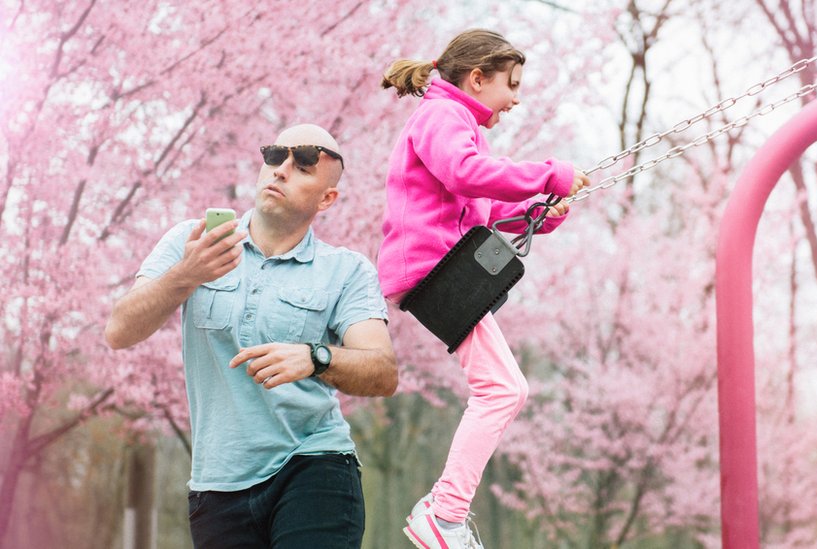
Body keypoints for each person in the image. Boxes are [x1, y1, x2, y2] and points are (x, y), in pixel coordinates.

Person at [104, 123, 397, 549]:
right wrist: (187, 274)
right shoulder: (194, 242)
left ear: (327, 198)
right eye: (275, 157)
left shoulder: (347, 270)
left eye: (303, 166)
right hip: (217, 483)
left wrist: (316, 357)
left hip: (314, 464)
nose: (281, 171)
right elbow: (119, 331)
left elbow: (383, 371)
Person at [378, 29, 590, 549]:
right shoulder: (441, 116)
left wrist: (538, 213)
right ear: (477, 79)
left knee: (504, 388)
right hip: (433, 267)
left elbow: (486, 207)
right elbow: (466, 173)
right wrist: (548, 175)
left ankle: (445, 511)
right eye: (510, 85)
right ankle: (444, 513)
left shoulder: (459, 123)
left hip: (444, 266)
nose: (516, 99)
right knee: (504, 389)